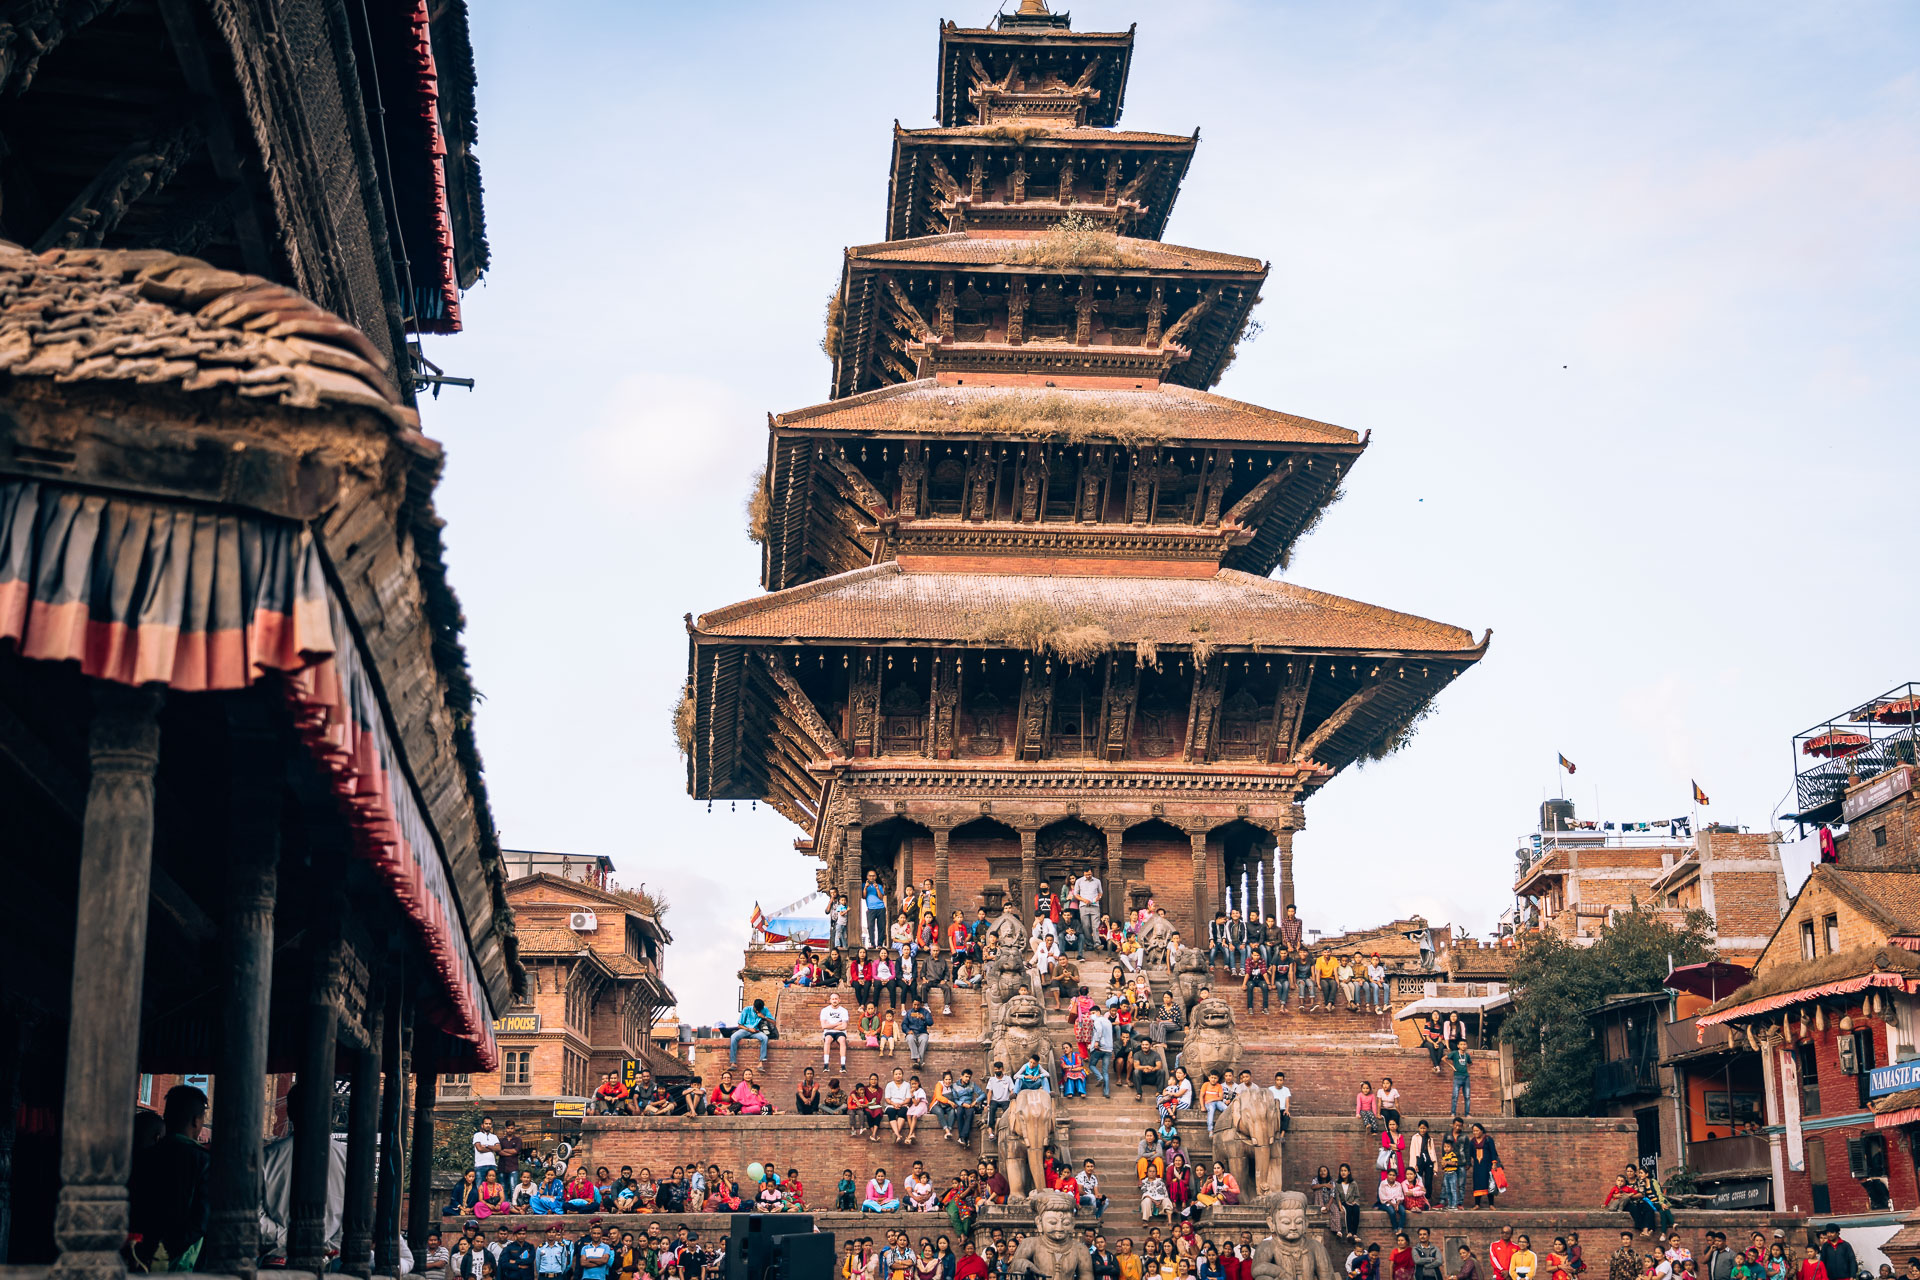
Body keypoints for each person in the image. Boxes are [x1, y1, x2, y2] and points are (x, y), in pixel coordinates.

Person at [128, 1083, 210, 1270]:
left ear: (166, 1116)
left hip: (141, 1254)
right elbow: (200, 1221)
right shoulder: (204, 1161)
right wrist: (166, 1252)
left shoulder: (144, 1156)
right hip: (182, 1262)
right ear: (197, 1121)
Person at [729, 997, 771, 1065]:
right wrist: (749, 1029)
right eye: (756, 1009)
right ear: (753, 1006)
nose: (757, 1011)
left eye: (759, 1010)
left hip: (756, 1032)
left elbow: (773, 1022)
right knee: (733, 1037)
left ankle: (761, 1062)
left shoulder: (764, 1010)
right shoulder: (746, 1009)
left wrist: (764, 1017)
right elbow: (739, 1025)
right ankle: (733, 1062)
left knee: (765, 1038)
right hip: (745, 1030)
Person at [822, 992, 852, 1067]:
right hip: (829, 1032)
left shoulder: (844, 1011)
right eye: (833, 999)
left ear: (839, 1000)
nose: (834, 1000)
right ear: (830, 1000)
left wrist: (830, 1025)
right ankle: (826, 1064)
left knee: (842, 1040)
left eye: (836, 999)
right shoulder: (825, 1010)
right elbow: (823, 1026)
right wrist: (837, 1024)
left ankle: (843, 1065)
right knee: (827, 1039)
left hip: (840, 1032)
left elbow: (844, 1026)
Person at [903, 999, 934, 1067]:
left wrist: (923, 1018)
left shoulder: (925, 1012)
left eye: (918, 1005)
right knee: (910, 1038)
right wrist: (908, 1031)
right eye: (915, 1004)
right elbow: (904, 1024)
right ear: (912, 1004)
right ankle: (918, 1059)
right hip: (912, 1032)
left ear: (921, 1005)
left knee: (924, 1039)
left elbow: (931, 1023)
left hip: (922, 1032)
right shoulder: (909, 1012)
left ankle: (918, 1059)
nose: (916, 1007)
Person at [1451, 1041, 1474, 1116]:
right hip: (1457, 1077)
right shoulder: (1454, 1053)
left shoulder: (1467, 1055)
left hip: (1466, 1077)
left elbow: (1470, 1063)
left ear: (1466, 1046)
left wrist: (1466, 1067)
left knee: (1467, 1096)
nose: (1463, 1046)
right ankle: (1453, 1113)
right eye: (1461, 1044)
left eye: (1464, 1044)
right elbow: (1443, 1058)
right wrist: (1452, 1066)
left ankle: (1467, 1113)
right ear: (1458, 1046)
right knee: (1455, 1096)